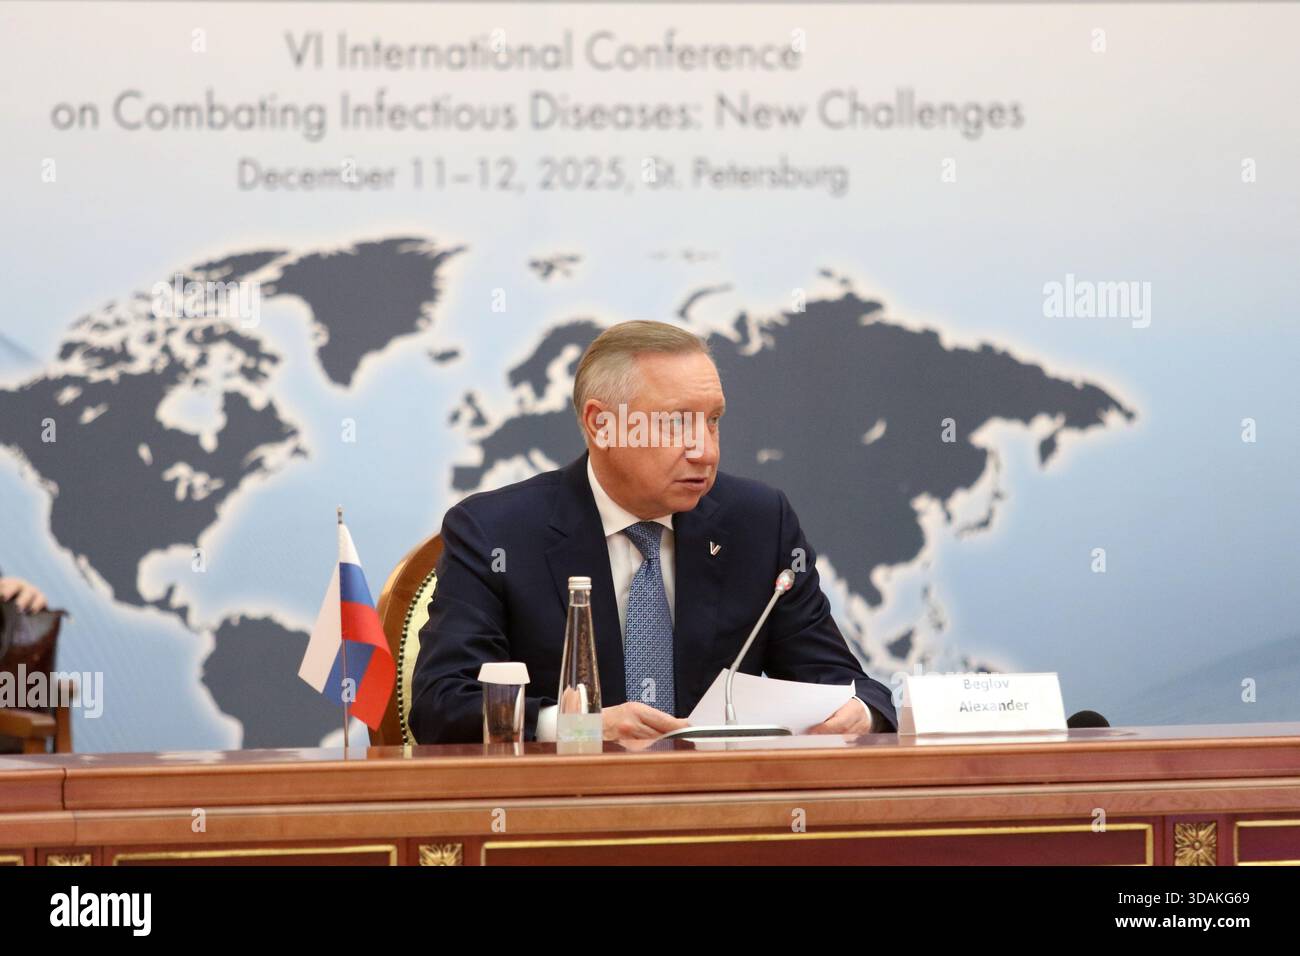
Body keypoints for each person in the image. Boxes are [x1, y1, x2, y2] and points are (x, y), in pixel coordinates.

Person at [409, 320, 896, 744]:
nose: (705, 451)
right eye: (678, 423)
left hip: (722, 819)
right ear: (601, 425)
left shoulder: (759, 524)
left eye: (713, 422)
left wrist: (861, 714)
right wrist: (578, 728)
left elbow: (843, 684)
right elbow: (442, 703)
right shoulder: (497, 532)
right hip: (562, 820)